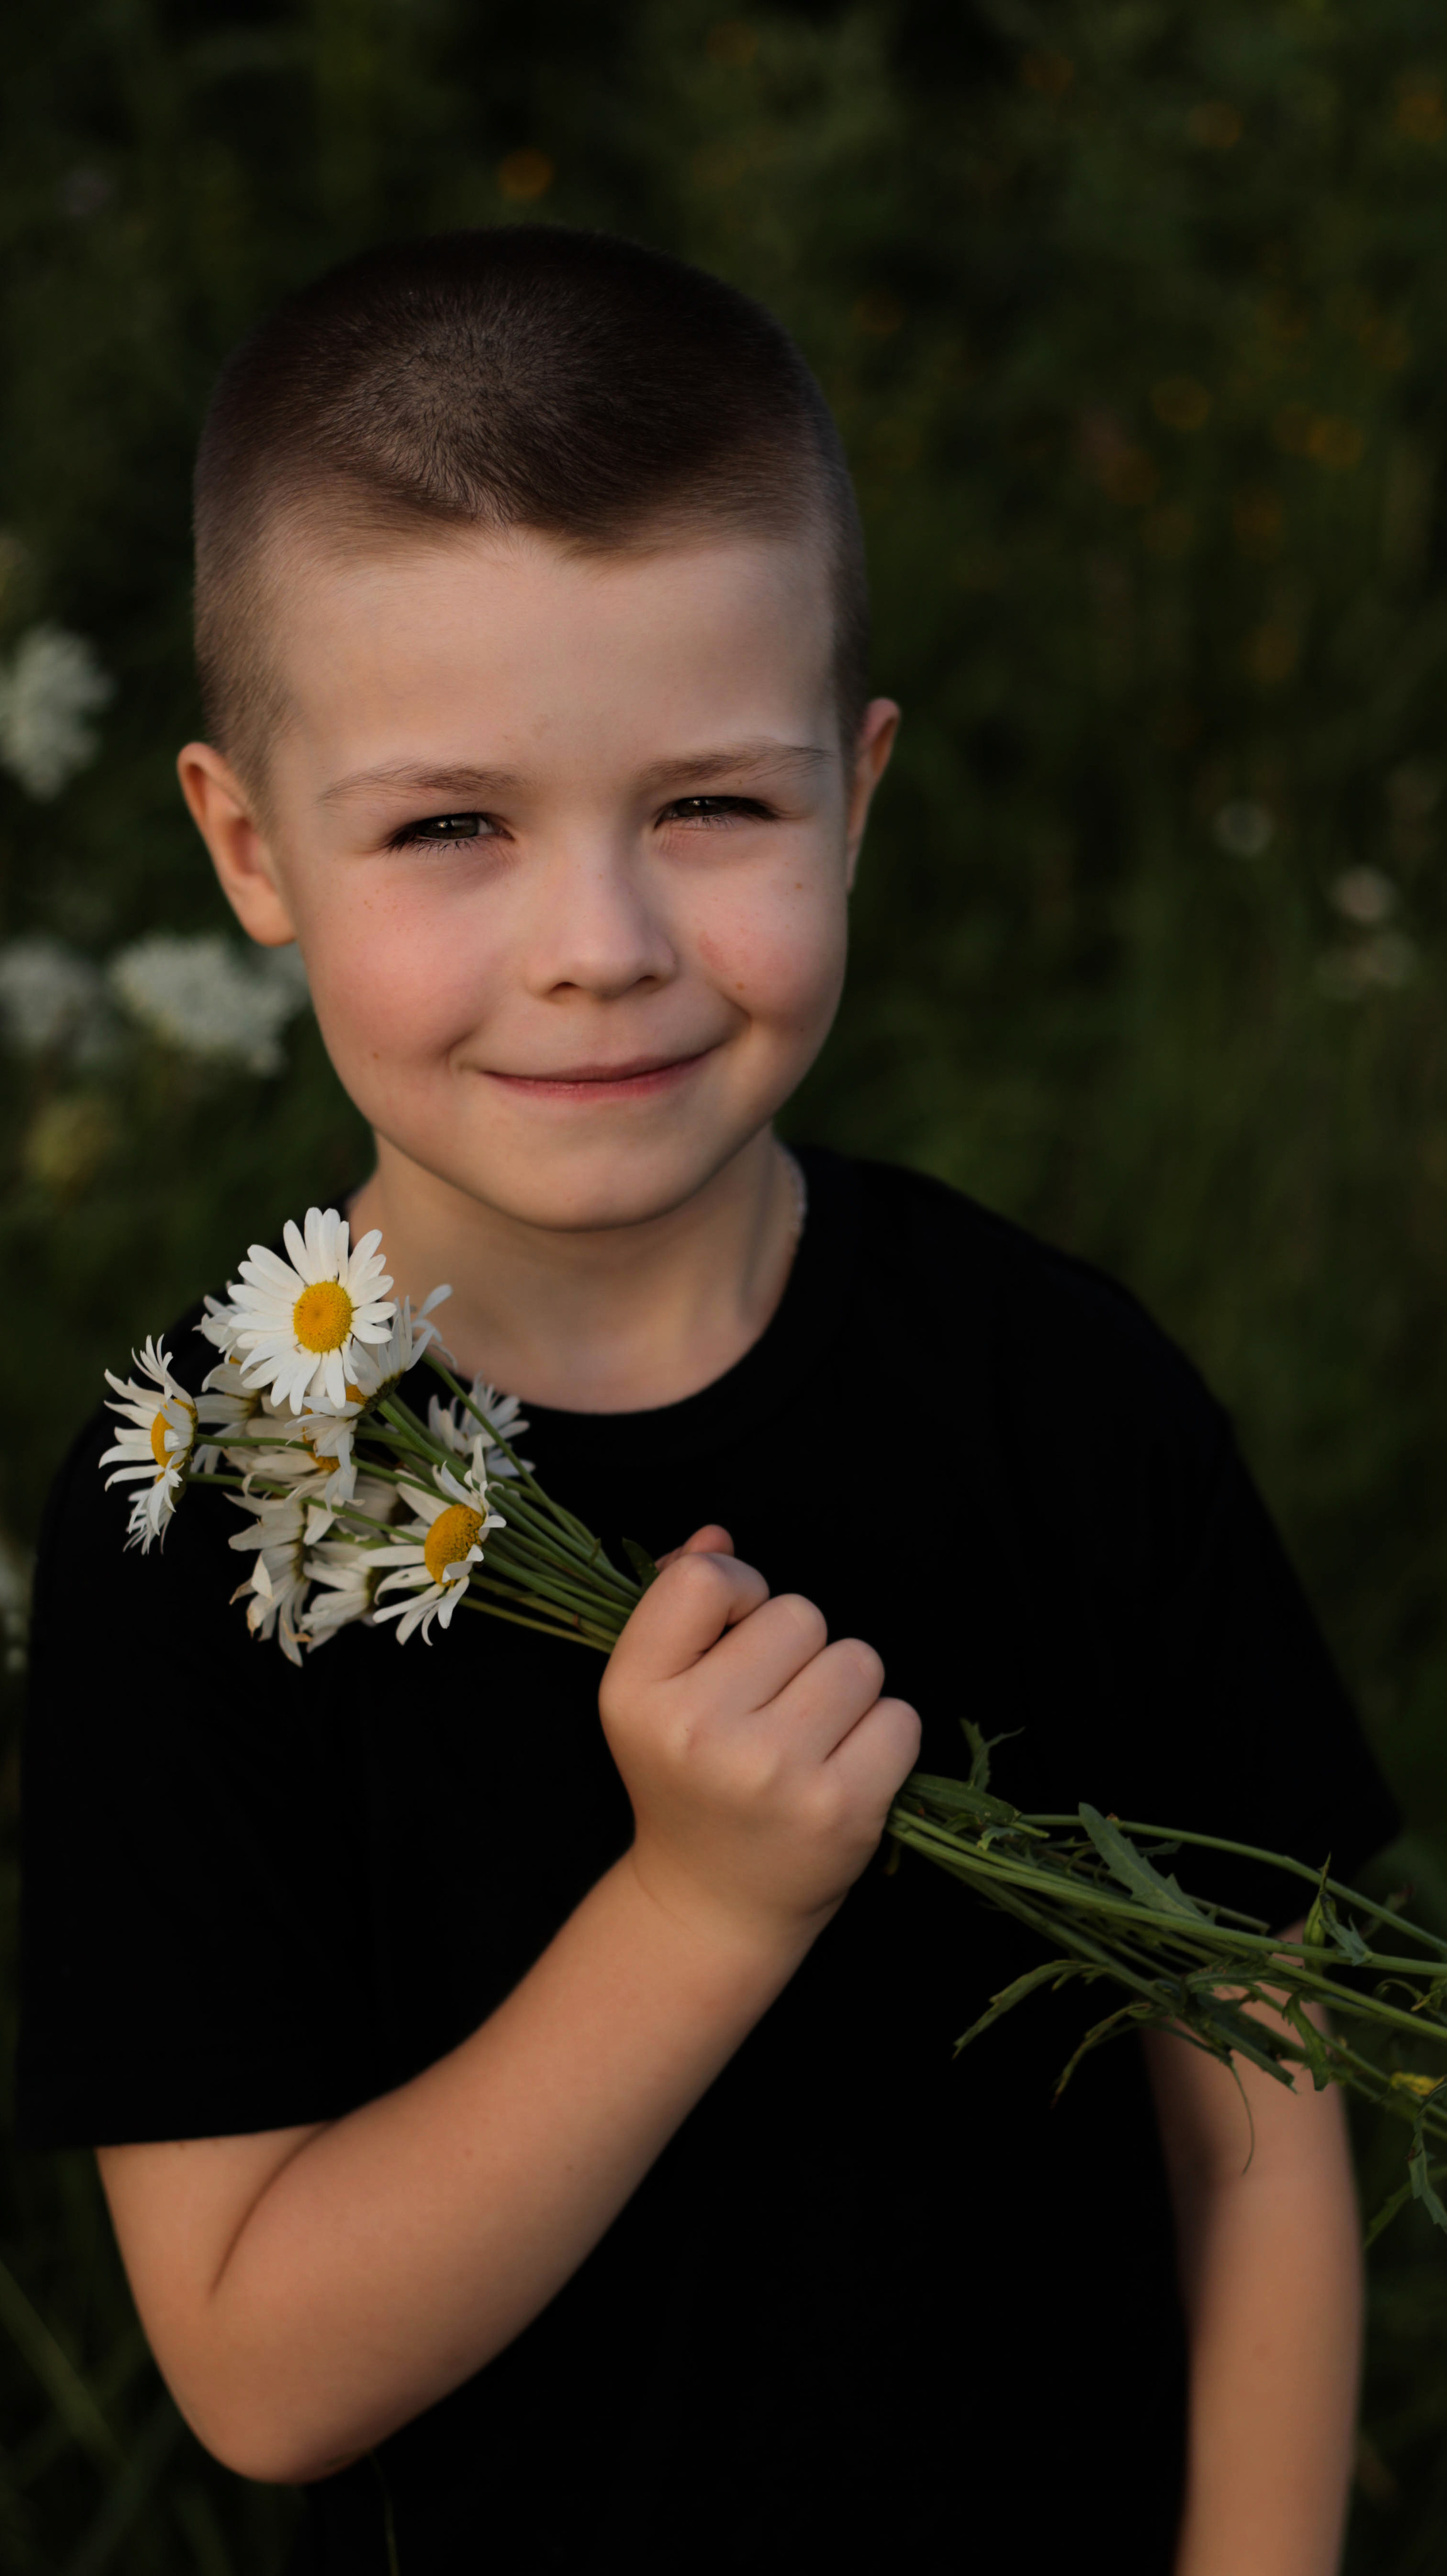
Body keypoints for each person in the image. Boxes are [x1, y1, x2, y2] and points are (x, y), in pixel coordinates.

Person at [18, 228, 1397, 2575]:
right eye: (452, 824)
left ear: (857, 795)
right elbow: (259, 2375)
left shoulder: (1058, 1392)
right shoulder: (206, 1509)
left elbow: (1259, 2122)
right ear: (250, 849)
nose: (600, 942)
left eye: (712, 808)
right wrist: (703, 1909)